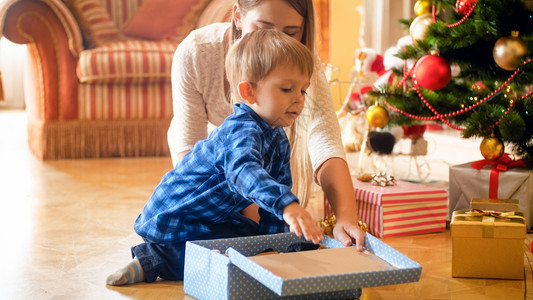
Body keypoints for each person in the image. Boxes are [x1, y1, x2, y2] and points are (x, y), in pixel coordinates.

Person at [106, 29, 324, 285]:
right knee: (207, 256)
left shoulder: (277, 138)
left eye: (303, 91)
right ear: (249, 92)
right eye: (288, 89)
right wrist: (287, 205)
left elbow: (271, 204)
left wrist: (287, 243)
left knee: (249, 240)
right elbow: (244, 171)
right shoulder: (241, 129)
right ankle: (151, 259)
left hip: (212, 215)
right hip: (174, 217)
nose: (299, 99)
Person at [168, 0, 366, 251]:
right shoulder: (197, 53)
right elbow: (191, 155)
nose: (279, 43)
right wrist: (258, 217)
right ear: (238, 16)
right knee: (227, 236)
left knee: (271, 236)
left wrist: (346, 217)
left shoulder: (299, 60)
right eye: (264, 28)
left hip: (266, 168)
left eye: (291, 32)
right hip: (212, 173)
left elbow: (323, 136)